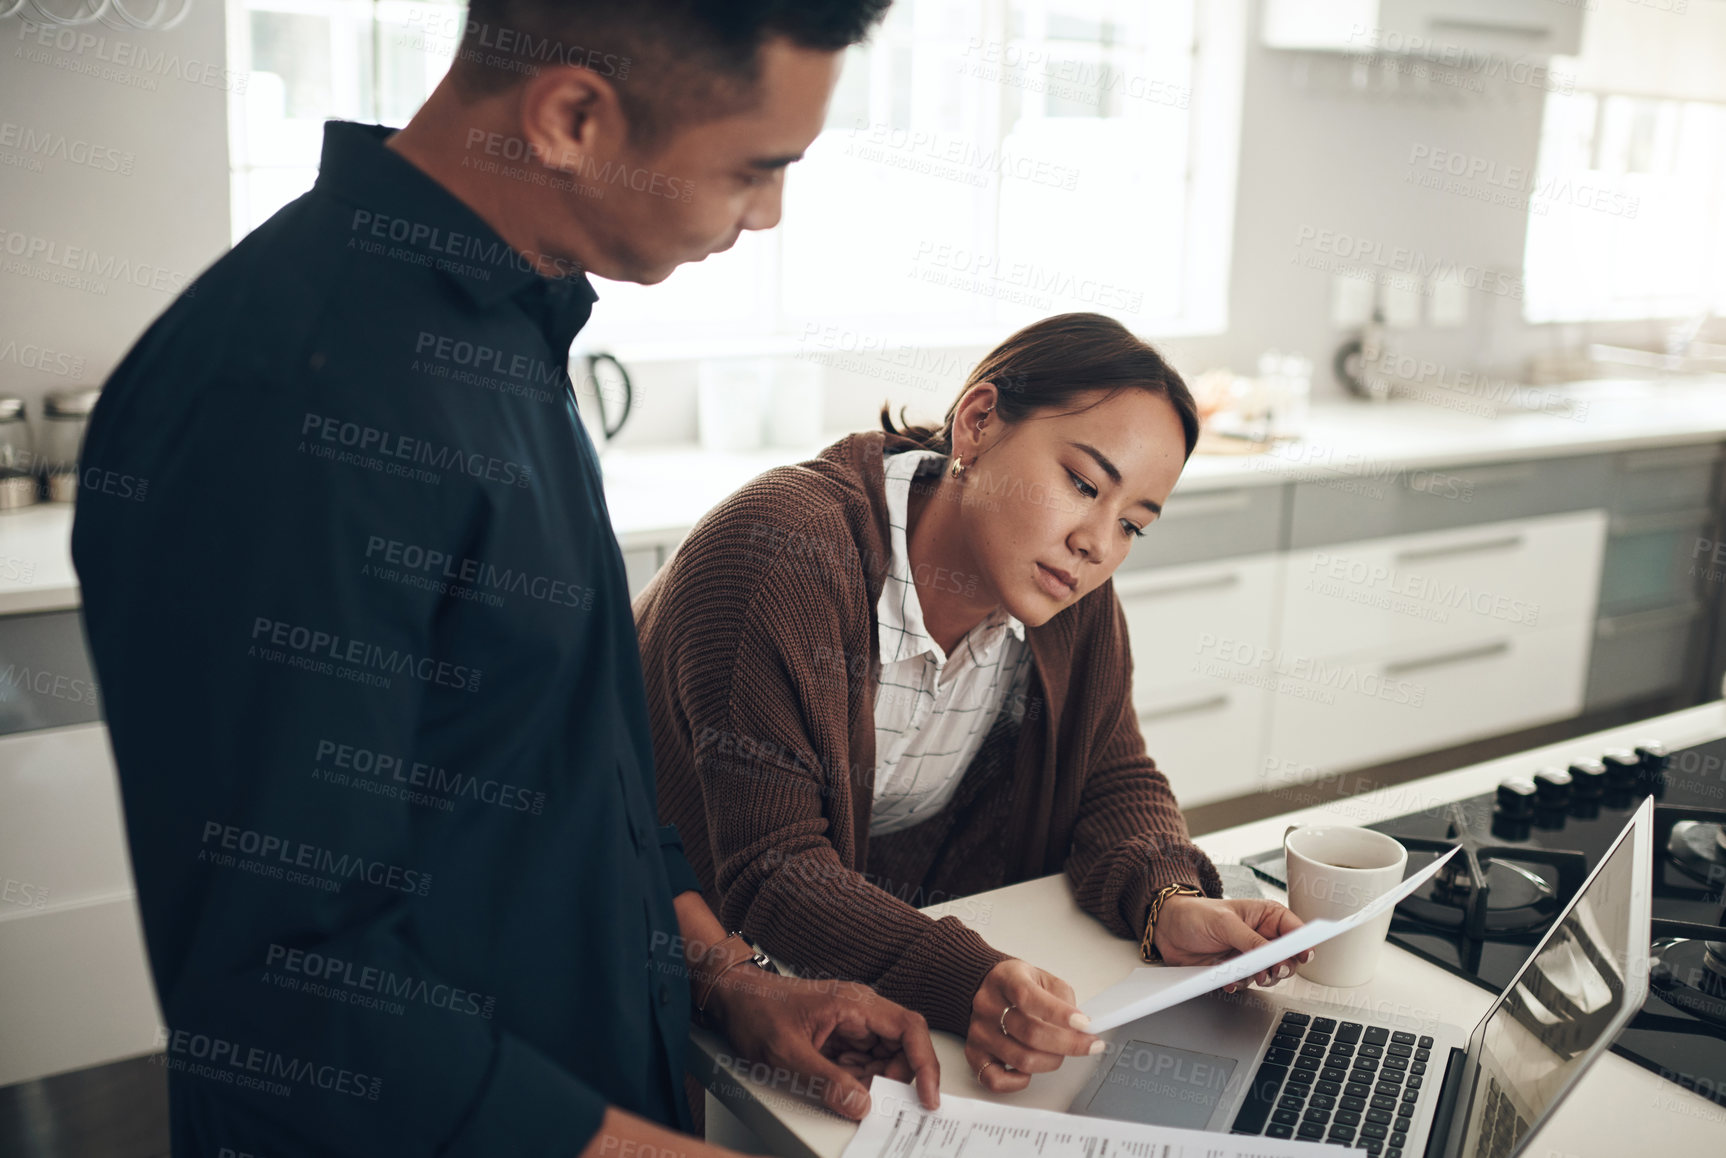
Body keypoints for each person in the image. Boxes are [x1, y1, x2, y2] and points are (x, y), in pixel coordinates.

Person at [71, 3, 939, 1156]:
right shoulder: (291, 394)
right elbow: (283, 969)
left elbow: (568, 765)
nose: (768, 214)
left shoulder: (506, 323)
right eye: (755, 167)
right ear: (572, 115)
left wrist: (725, 977)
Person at [636, 312, 1313, 1094]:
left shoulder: (1066, 590)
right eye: (1082, 484)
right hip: (666, 948)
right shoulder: (785, 553)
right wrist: (969, 979)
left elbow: (1111, 774)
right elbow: (774, 868)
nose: (1098, 542)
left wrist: (1169, 900)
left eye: (1132, 523)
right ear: (979, 421)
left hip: (845, 964)